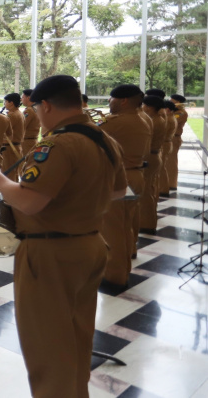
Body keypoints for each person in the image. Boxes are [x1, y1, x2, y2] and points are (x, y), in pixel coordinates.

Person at [0, 75, 126, 398]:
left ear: (45, 105)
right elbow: (118, 191)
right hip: (90, 244)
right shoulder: (104, 139)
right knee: (76, 340)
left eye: (36, 109)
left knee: (47, 349)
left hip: (50, 252)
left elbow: (30, 202)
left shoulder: (56, 144)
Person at [98, 84, 150, 287]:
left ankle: (113, 275)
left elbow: (89, 134)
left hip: (120, 179)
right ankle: (124, 268)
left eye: (111, 98)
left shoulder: (116, 122)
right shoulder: (142, 119)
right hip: (135, 175)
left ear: (123, 101)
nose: (109, 102)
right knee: (125, 225)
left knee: (112, 229)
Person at [139, 95, 165, 234]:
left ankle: (147, 223)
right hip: (154, 156)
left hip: (150, 157)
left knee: (145, 193)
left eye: (144, 105)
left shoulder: (153, 121)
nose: (142, 108)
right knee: (148, 190)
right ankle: (148, 221)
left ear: (149, 107)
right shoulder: (157, 118)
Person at [2, 93, 25, 181]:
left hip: (9, 147)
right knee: (13, 173)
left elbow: (3, 130)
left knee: (8, 174)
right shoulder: (18, 113)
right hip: (14, 146)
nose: (4, 104)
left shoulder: (12, 115)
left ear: (11, 103)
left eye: (6, 102)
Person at [168, 94, 188, 191]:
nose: (170, 102)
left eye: (172, 101)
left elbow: (172, 121)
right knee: (167, 162)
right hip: (170, 138)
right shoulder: (174, 111)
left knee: (171, 162)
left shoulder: (181, 113)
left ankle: (172, 184)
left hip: (174, 138)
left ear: (178, 102)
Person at [159, 100, 177, 197]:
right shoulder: (170, 117)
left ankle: (163, 189)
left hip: (165, 144)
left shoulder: (168, 119)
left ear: (168, 110)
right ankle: (163, 188)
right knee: (162, 167)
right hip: (166, 143)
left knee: (161, 168)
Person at [21, 89, 41, 155]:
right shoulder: (37, 108)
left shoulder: (28, 111)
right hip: (33, 141)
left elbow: (22, 125)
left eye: (23, 97)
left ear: (28, 98)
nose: (21, 99)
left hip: (27, 142)